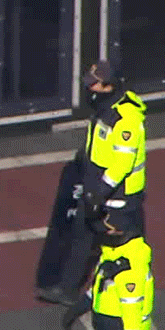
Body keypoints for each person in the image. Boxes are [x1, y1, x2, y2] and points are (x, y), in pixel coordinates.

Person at [38, 61, 148, 306]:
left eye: (95, 83)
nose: (90, 88)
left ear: (109, 85)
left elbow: (122, 163)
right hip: (97, 187)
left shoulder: (125, 118)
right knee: (83, 236)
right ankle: (67, 289)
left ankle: (124, 292)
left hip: (118, 196)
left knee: (119, 244)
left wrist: (101, 192)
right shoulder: (104, 106)